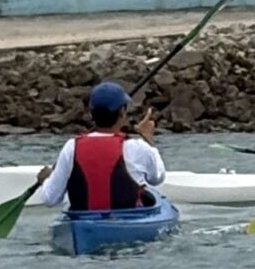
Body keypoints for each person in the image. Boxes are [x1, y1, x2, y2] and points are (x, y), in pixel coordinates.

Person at [32, 81, 167, 210]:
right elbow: (157, 178)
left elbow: (50, 198)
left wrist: (47, 180)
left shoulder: (71, 147)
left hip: (84, 226)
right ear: (122, 111)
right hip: (129, 223)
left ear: (91, 113)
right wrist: (148, 138)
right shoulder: (138, 148)